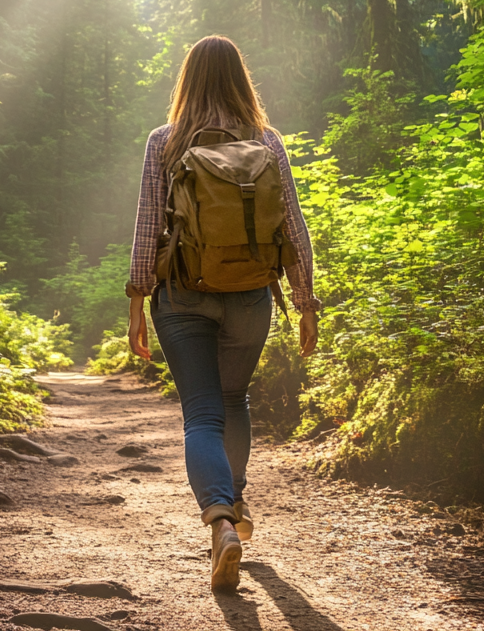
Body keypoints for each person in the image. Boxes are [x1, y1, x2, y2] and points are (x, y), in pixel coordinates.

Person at [125, 35, 320, 593]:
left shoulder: (165, 141)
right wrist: (305, 303)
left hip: (183, 295)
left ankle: (221, 520)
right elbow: (293, 227)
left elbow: (146, 228)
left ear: (187, 81)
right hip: (253, 295)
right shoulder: (267, 141)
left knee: (202, 414)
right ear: (241, 79)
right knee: (234, 400)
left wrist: (138, 300)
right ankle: (233, 502)